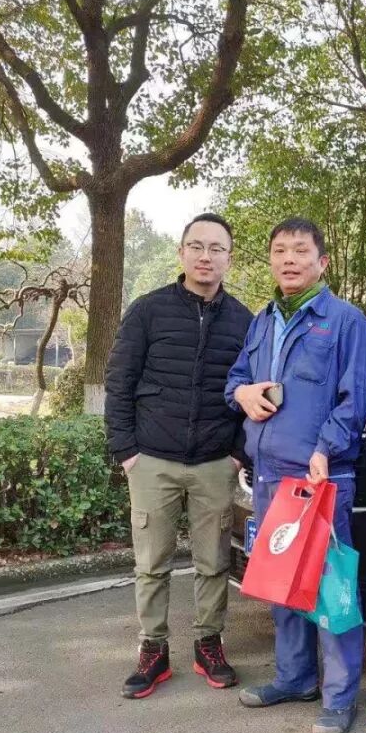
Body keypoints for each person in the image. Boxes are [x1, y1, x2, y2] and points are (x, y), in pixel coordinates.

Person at [226, 218, 366, 733]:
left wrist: (325, 448)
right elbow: (237, 379)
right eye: (280, 250)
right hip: (268, 475)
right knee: (282, 584)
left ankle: (340, 697)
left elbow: (356, 398)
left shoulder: (345, 320)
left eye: (300, 250)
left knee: (331, 587)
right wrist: (242, 394)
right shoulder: (263, 319)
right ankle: (295, 678)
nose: (288, 259)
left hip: (321, 475)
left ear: (322, 261)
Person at [105, 212, 252, 699]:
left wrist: (237, 454)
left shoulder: (244, 321)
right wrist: (126, 451)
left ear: (229, 258)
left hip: (215, 463)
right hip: (152, 460)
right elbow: (119, 382)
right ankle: (153, 649)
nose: (206, 256)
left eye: (216, 248)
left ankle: (209, 643)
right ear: (181, 252)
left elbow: (254, 393)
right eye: (197, 246)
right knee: (152, 564)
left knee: (214, 561)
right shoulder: (148, 311)